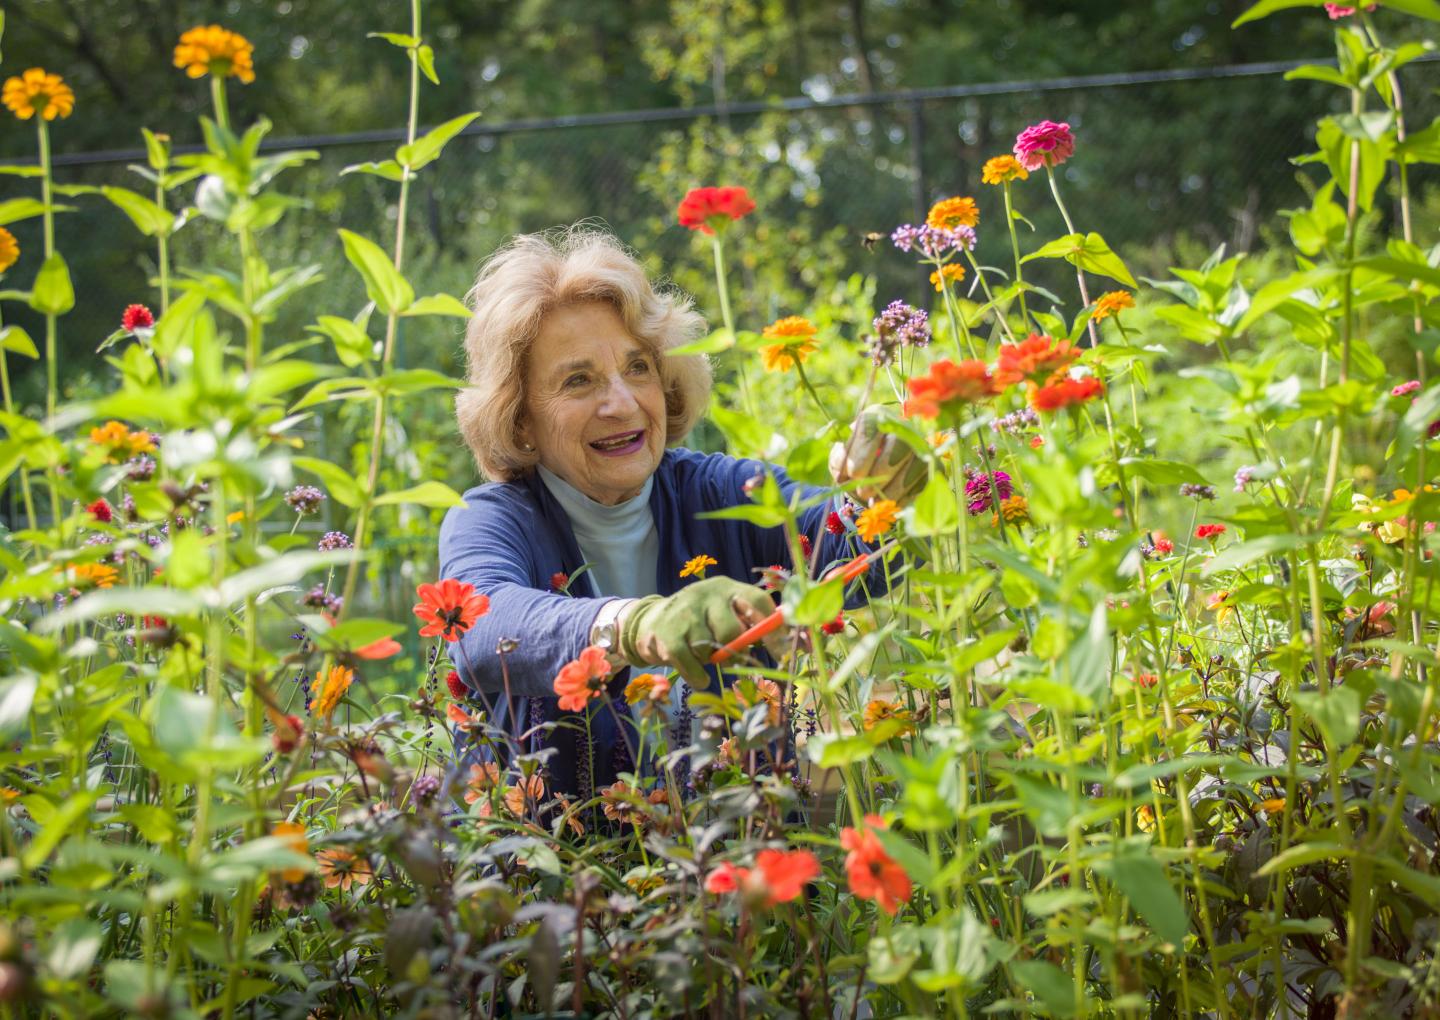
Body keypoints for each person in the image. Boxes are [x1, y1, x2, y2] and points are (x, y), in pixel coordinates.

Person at [440, 226, 922, 797]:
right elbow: (481, 627)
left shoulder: (723, 491)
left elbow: (847, 547)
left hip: (740, 853)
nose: (622, 403)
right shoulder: (493, 520)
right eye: (578, 380)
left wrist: (888, 492)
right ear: (520, 418)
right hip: (553, 868)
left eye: (638, 367)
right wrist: (635, 626)